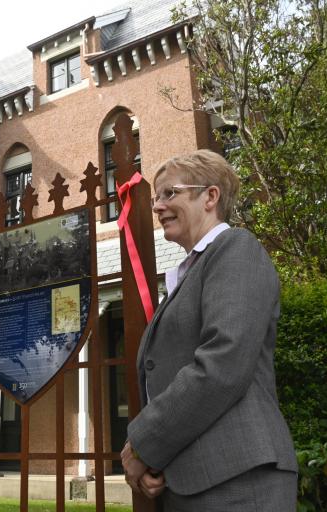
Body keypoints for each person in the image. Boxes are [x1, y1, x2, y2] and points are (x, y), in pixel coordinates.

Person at [121, 150, 298, 511]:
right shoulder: (189, 272)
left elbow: (223, 363)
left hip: (238, 481)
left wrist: (143, 444)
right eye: (156, 196)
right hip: (191, 483)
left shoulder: (236, 249)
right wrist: (159, 461)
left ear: (210, 196)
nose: (157, 206)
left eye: (170, 193)